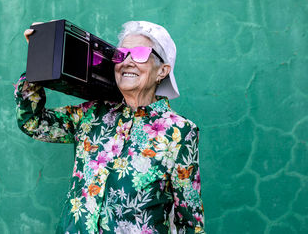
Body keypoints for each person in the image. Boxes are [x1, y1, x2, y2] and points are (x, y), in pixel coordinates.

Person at [14, 21, 205, 234]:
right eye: (121, 54)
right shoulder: (91, 114)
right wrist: (40, 53)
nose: (128, 61)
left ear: (162, 71)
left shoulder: (179, 131)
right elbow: (33, 123)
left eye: (140, 53)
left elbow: (189, 221)